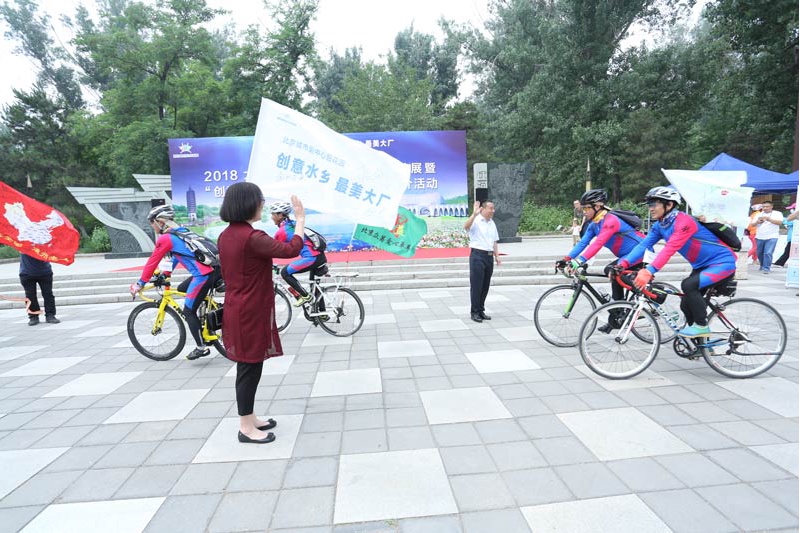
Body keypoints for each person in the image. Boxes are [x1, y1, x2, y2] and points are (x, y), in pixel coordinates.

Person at [217, 183, 305, 444]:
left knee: (250, 365)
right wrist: (300, 220)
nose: (262, 205)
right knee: (248, 367)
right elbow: (291, 250)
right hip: (249, 311)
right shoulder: (252, 237)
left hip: (239, 307)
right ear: (248, 204)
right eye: (260, 201)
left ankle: (250, 417)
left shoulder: (226, 235)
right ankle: (246, 427)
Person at [616, 186, 736, 337]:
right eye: (649, 205)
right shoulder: (660, 225)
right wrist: (622, 264)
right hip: (701, 266)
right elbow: (643, 246)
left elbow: (670, 248)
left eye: (654, 204)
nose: (650, 208)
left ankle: (702, 326)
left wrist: (649, 271)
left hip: (723, 263)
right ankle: (700, 345)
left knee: (688, 285)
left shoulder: (684, 222)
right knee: (686, 305)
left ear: (669, 204)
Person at [131, 205, 219, 361]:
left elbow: (153, 261)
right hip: (214, 271)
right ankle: (205, 317)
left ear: (159, 221)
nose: (152, 226)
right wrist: (165, 274)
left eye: (152, 222)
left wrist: (140, 283)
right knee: (182, 288)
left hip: (203, 276)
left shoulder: (165, 238)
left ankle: (201, 347)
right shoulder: (181, 232)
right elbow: (176, 257)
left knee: (188, 311)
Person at [558, 189, 649, 333]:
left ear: (598, 206)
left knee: (611, 271)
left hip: (641, 252)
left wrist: (579, 261)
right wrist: (566, 259)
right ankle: (617, 316)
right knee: (613, 275)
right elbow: (583, 243)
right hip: (626, 256)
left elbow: (598, 243)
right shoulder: (594, 224)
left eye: (587, 208)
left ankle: (647, 298)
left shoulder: (610, 220)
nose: (584, 212)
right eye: (583, 208)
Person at [269, 201, 327, 306]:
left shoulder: (282, 232)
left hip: (311, 258)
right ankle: (322, 312)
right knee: (314, 287)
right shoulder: (294, 224)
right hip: (319, 256)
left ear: (280, 215)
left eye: (273, 214)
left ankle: (305, 296)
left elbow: (272, 250)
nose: (272, 217)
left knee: (285, 272)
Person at [464, 199, 501, 323]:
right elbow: (466, 227)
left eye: (493, 208)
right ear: (483, 209)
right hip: (477, 256)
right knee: (477, 286)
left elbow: (494, 241)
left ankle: (481, 310)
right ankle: (474, 312)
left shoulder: (492, 223)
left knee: (485, 285)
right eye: (491, 208)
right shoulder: (476, 220)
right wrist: (474, 214)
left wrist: (497, 256)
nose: (493, 211)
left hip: (489, 256)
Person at [19, 253, 60, 325]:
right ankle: (33, 316)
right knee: (30, 296)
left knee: (48, 294)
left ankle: (50, 315)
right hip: (26, 273)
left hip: (45, 272)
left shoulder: (44, 245)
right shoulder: (23, 245)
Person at [754, 201, 784, 274]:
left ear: (771, 206)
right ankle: (762, 265)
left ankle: (766, 268)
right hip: (760, 236)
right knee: (759, 253)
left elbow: (780, 222)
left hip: (772, 236)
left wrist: (768, 219)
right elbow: (752, 224)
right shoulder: (758, 214)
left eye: (767, 206)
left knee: (768, 252)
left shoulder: (777, 213)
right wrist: (758, 221)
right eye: (763, 207)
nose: (765, 208)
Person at [774, 203, 797, 267]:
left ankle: (779, 263)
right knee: (788, 251)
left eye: (792, 209)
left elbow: (787, 222)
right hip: (792, 238)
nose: (790, 210)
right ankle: (779, 263)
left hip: (794, 238)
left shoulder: (795, 218)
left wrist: (783, 219)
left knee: (787, 251)